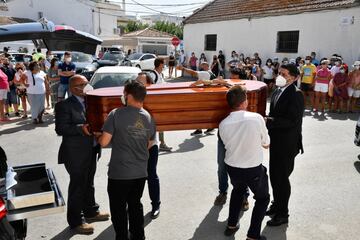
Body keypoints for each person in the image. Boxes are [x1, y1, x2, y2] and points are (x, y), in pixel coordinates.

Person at [96, 80, 156, 240]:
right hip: (140, 173)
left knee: (118, 209)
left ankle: (122, 237)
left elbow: (104, 142)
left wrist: (97, 135)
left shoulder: (116, 114)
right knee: (135, 205)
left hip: (119, 174)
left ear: (128, 96)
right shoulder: (149, 117)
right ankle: (138, 236)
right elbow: (150, 143)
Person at [55, 75, 109, 234]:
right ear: (73, 89)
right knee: (77, 186)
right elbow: (61, 129)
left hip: (92, 150)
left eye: (87, 83)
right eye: (83, 84)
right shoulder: (64, 105)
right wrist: (80, 129)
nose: (87, 86)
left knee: (89, 183)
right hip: (75, 153)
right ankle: (76, 221)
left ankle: (91, 212)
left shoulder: (91, 101)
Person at [219, 85, 270, 239]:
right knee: (262, 199)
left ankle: (232, 224)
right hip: (252, 168)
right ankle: (253, 235)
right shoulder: (256, 118)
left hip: (232, 166)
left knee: (238, 191)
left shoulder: (223, 124)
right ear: (244, 102)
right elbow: (266, 143)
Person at [265, 64, 304, 226]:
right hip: (276, 141)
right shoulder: (276, 90)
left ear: (294, 77)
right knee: (274, 176)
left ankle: (283, 214)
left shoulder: (296, 94)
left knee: (281, 178)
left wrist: (270, 121)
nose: (279, 76)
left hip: (287, 144)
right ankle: (277, 204)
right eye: (279, 73)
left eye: (284, 74)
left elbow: (292, 120)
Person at [214, 70, 250, 212]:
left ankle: (244, 196)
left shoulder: (242, 89)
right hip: (224, 135)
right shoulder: (228, 90)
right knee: (222, 166)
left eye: (235, 78)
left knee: (242, 166)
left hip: (241, 134)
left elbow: (241, 86)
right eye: (231, 78)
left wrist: (228, 83)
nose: (232, 79)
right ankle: (223, 192)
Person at [136, 73, 161, 219]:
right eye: (136, 81)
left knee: (151, 175)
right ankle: (133, 204)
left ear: (149, 85)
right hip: (134, 145)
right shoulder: (130, 98)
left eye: (141, 81)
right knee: (134, 177)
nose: (137, 83)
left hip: (151, 145)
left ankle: (156, 204)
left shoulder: (154, 99)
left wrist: (150, 140)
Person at [177, 62, 218, 136]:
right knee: (205, 113)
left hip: (204, 96)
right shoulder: (211, 73)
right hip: (209, 96)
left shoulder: (205, 73)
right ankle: (209, 127)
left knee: (198, 113)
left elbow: (193, 73)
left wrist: (183, 68)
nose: (201, 67)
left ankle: (199, 129)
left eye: (202, 65)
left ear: (206, 66)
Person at [148, 58, 172, 152]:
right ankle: (151, 144)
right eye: (163, 64)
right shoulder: (152, 75)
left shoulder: (160, 74)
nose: (164, 66)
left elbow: (164, 85)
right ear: (160, 65)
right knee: (153, 125)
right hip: (153, 104)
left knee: (161, 124)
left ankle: (162, 143)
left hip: (160, 103)